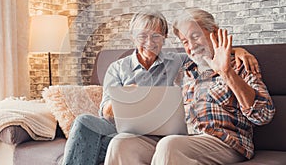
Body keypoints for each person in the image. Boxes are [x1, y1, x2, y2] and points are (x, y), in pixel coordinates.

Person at [62, 10, 259, 165]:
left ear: (164, 37)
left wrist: (237, 51)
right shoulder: (118, 68)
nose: (150, 43)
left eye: (156, 36)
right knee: (85, 122)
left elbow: (204, 53)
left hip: (162, 134)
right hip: (123, 129)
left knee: (144, 145)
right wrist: (122, 99)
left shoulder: (178, 61)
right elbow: (105, 111)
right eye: (143, 36)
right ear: (133, 37)